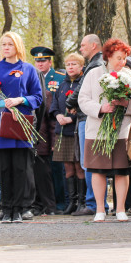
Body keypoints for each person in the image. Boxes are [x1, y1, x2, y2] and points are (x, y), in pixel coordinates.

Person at [0, 31, 43, 223]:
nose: (6, 48)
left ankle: (19, 208)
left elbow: (37, 97)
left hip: (21, 124)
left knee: (21, 168)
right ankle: (6, 208)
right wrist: (1, 102)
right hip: (0, 124)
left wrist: (19, 100)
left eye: (9, 44)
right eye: (3, 44)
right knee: (5, 168)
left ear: (17, 46)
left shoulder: (29, 69)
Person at [78, 38, 131, 222]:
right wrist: (101, 108)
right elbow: (83, 100)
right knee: (98, 170)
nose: (122, 62)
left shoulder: (130, 75)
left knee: (121, 170)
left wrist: (126, 104)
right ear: (108, 57)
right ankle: (100, 209)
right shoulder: (93, 73)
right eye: (118, 58)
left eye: (124, 58)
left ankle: (121, 209)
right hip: (97, 130)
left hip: (122, 131)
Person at [66, 34, 105, 216]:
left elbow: (81, 89)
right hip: (86, 115)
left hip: (87, 117)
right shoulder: (96, 63)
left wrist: (70, 103)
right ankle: (94, 202)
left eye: (83, 45)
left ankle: (92, 203)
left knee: (89, 161)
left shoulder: (95, 64)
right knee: (88, 161)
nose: (81, 49)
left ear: (93, 45)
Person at [50, 52, 85, 214]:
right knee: (67, 168)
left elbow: (84, 105)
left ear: (81, 66)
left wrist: (71, 118)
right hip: (62, 131)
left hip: (76, 130)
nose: (70, 67)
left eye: (74, 64)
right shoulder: (62, 85)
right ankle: (71, 202)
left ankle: (82, 202)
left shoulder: (83, 84)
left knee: (79, 167)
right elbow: (54, 105)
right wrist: (58, 116)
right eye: (68, 65)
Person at [30, 46, 63, 216]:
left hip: (48, 135)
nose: (40, 63)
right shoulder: (30, 79)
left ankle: (56, 204)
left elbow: (51, 118)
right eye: (37, 60)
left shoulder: (58, 78)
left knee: (51, 173)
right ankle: (39, 205)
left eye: (43, 60)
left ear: (50, 62)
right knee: (37, 174)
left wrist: (54, 141)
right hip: (33, 137)